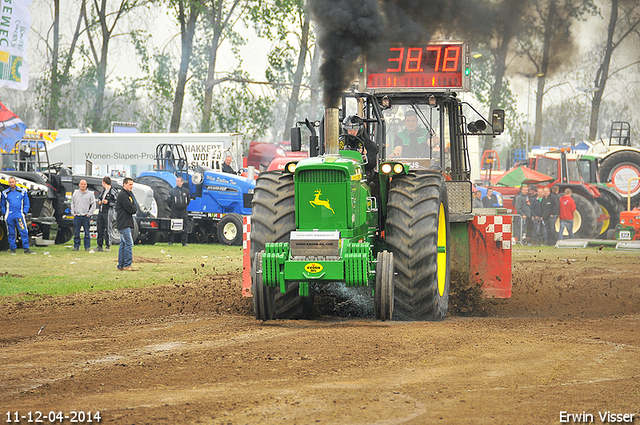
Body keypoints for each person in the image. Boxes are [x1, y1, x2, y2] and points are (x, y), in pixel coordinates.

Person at [1, 176, 35, 254]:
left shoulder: (22, 191)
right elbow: (2, 204)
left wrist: (24, 212)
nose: (11, 184)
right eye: (10, 182)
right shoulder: (5, 193)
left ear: (15, 182)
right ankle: (12, 249)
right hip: (9, 216)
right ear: (8, 183)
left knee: (23, 231)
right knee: (11, 232)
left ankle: (26, 248)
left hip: (19, 216)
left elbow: (27, 203)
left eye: (13, 182)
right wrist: (4, 213)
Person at [116, 177, 137, 271]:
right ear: (124, 184)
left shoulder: (128, 194)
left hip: (125, 222)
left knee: (123, 244)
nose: (131, 186)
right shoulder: (123, 195)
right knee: (129, 243)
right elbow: (132, 208)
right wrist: (133, 207)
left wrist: (133, 207)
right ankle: (127, 265)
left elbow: (134, 205)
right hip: (123, 222)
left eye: (132, 184)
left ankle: (121, 265)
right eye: (130, 184)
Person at [71, 179, 96, 251]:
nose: (83, 185)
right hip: (77, 216)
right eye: (82, 184)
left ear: (86, 185)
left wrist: (89, 214)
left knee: (87, 232)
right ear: (79, 185)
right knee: (76, 232)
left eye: (84, 184)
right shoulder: (75, 193)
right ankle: (76, 246)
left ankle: (87, 246)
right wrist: (73, 213)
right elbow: (72, 203)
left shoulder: (90, 194)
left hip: (86, 216)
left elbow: (93, 204)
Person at [95, 176, 118, 252]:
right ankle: (99, 245)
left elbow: (116, 202)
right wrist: (100, 202)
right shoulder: (103, 191)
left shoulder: (113, 191)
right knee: (99, 228)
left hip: (108, 212)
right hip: (101, 211)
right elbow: (100, 198)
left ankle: (108, 245)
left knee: (107, 228)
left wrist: (108, 202)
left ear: (104, 182)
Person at [167, 176, 191, 246]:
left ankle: (184, 242)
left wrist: (183, 206)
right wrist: (173, 207)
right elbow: (168, 201)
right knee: (173, 226)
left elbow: (188, 200)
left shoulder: (186, 191)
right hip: (174, 211)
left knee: (185, 227)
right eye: (176, 181)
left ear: (182, 182)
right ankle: (170, 241)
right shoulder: (172, 191)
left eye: (178, 181)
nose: (177, 182)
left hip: (183, 211)